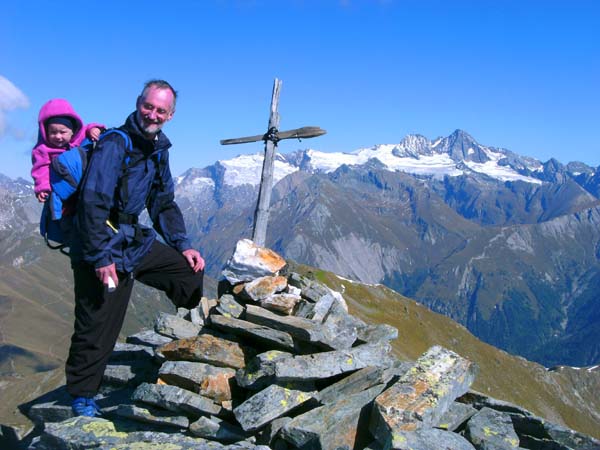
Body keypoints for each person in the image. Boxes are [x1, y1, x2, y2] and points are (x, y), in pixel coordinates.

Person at [65, 80, 205, 417]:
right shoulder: (116, 143)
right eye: (148, 106)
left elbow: (162, 202)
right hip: (99, 244)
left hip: (132, 240)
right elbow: (93, 202)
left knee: (188, 274)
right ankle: (82, 397)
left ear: (170, 116)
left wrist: (182, 244)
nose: (152, 114)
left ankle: (194, 335)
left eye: (160, 110)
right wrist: (100, 257)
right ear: (138, 103)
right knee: (98, 323)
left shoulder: (158, 149)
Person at [31, 98, 104, 202]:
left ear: (73, 131)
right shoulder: (43, 149)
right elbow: (40, 169)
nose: (58, 136)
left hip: (83, 184)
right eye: (53, 132)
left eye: (62, 132)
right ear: (45, 131)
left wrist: (94, 129)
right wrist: (42, 188)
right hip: (61, 186)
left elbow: (88, 127)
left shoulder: (79, 137)